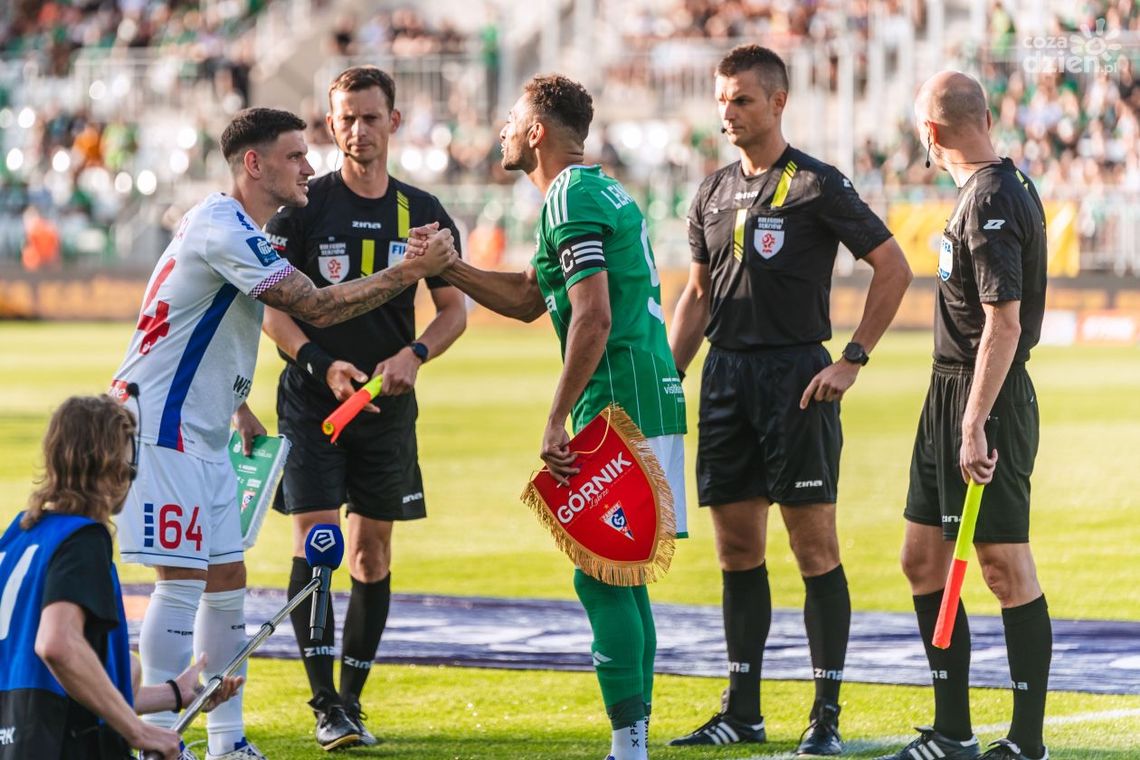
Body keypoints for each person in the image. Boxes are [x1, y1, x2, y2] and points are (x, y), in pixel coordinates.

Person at [108, 107, 455, 760]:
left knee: (227, 581)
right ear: (254, 163)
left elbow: (203, 321)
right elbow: (315, 305)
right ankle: (154, 741)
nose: (310, 165)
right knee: (181, 583)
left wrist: (237, 406)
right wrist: (406, 273)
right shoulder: (222, 226)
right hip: (161, 426)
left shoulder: (236, 227)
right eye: (296, 155)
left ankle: (227, 739)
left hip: (201, 432)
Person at [410, 74, 687, 760]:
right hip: (649, 395)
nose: (501, 131)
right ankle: (636, 741)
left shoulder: (567, 195)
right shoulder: (593, 190)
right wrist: (452, 270)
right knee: (621, 573)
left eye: (510, 120)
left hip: (617, 401)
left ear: (536, 131)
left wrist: (556, 416)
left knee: (596, 575)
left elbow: (592, 315)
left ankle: (628, 747)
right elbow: (535, 297)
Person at [667, 44, 912, 756]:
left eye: (741, 99)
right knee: (737, 551)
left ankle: (825, 716)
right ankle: (742, 711)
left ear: (777, 102)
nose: (727, 112)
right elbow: (696, 295)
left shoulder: (817, 185)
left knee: (814, 550)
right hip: (726, 382)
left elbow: (891, 267)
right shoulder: (709, 191)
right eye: (722, 100)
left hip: (798, 382)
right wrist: (668, 377)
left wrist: (853, 358)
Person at [261, 65, 467, 751]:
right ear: (329, 123)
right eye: (344, 118)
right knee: (318, 545)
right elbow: (274, 314)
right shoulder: (303, 207)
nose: (356, 130)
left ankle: (352, 699)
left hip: (387, 408)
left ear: (395, 122)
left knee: (371, 556)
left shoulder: (423, 212)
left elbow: (453, 312)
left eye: (370, 117)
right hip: (313, 404)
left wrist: (415, 355)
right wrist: (323, 365)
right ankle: (324, 704)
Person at [875, 71, 1051, 760]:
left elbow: (1002, 324)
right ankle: (953, 732)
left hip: (987, 397)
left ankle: (1027, 743)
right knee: (922, 559)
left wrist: (974, 421)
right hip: (947, 392)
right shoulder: (997, 186)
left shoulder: (992, 199)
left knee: (1003, 564)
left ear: (932, 132)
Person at [0, 395, 242, 760]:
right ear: (111, 467)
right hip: (55, 743)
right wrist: (139, 731)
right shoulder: (82, 539)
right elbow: (57, 645)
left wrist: (175, 694)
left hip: (18, 733)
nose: (131, 478)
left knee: (129, 667)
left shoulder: (18, 534)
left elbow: (66, 684)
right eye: (130, 469)